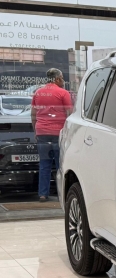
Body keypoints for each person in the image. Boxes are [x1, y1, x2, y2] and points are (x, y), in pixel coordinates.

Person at [31, 68, 72, 202]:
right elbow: (70, 113)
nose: (63, 80)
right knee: (61, 165)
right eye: (62, 77)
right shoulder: (63, 93)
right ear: (57, 79)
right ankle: (62, 194)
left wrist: (36, 131)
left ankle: (43, 194)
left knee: (44, 164)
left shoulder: (38, 92)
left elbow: (33, 115)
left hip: (42, 132)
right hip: (58, 133)